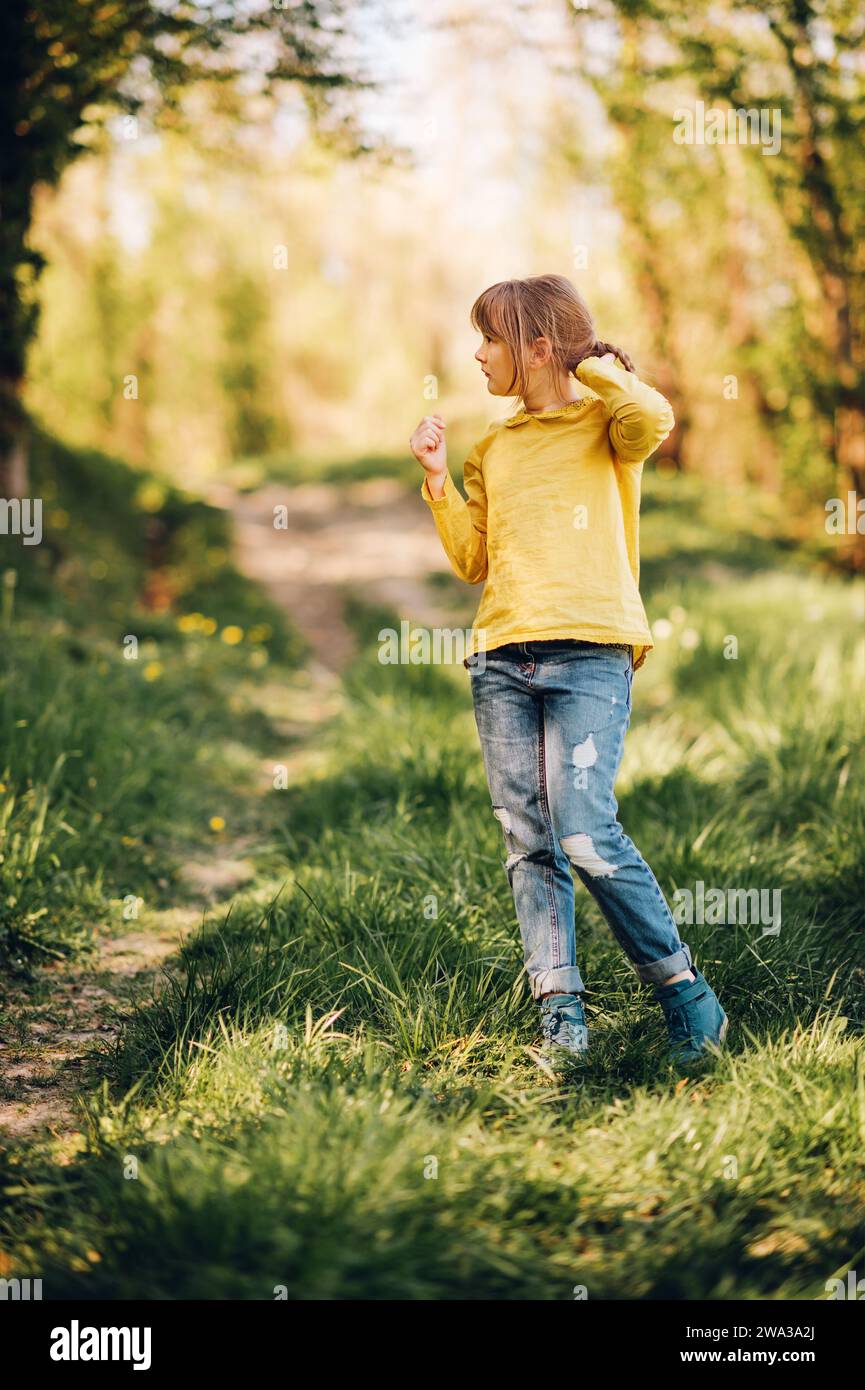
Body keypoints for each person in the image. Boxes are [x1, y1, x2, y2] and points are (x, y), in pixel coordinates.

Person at [410, 273, 727, 1070]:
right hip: (501, 660)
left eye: (490, 339)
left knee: (584, 829)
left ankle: (686, 995)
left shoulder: (608, 426)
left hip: (590, 650)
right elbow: (471, 560)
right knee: (530, 840)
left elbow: (652, 414)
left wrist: (588, 363)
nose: (478, 354)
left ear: (537, 348)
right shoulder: (495, 448)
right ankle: (560, 1013)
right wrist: (440, 480)